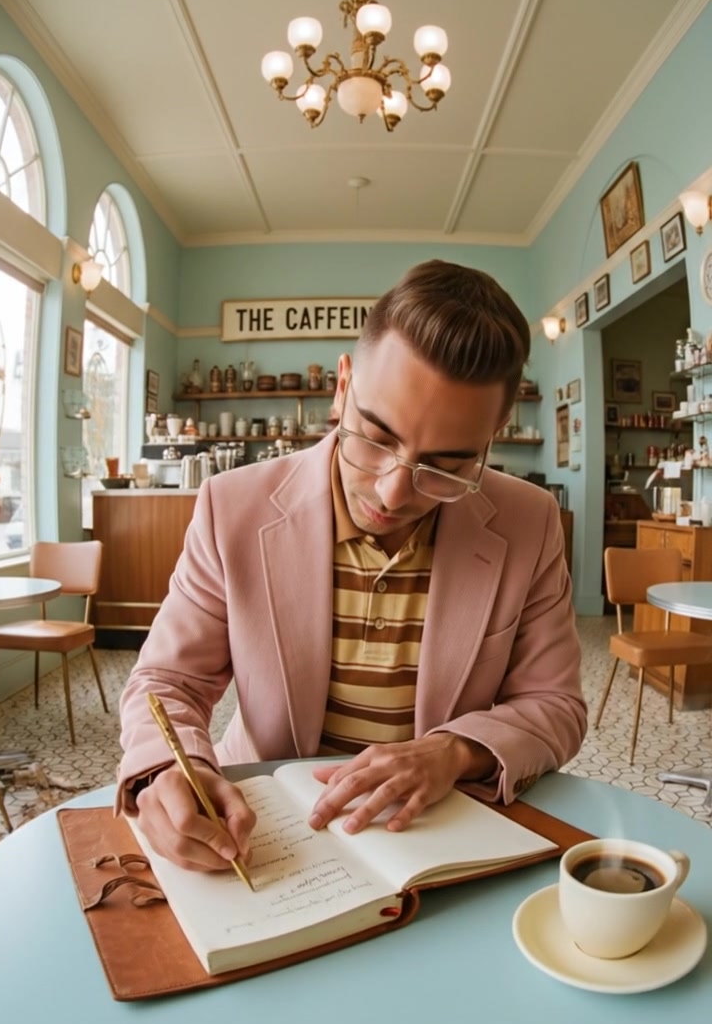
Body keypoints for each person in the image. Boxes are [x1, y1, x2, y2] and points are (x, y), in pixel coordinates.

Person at [116, 259, 587, 870]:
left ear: (493, 437)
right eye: (374, 436)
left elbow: (556, 703)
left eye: (445, 466)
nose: (392, 493)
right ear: (343, 387)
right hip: (265, 824)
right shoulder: (232, 507)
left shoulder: (529, 520)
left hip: (441, 826)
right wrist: (164, 771)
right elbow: (167, 682)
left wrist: (452, 751)